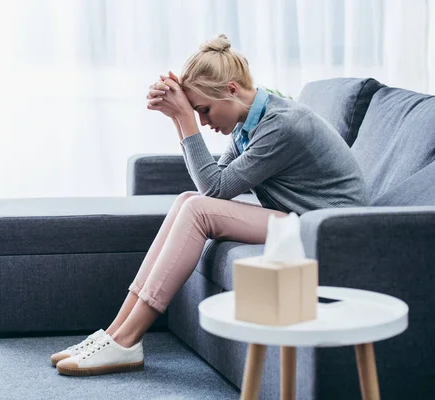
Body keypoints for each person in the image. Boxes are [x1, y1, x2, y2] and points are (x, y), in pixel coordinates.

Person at [51, 34, 367, 376]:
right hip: (300, 220)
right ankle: (114, 332)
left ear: (231, 90)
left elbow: (216, 189)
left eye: (203, 110)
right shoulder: (252, 121)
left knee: (199, 208)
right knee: (188, 200)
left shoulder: (282, 125)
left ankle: (127, 341)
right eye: (197, 113)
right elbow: (210, 183)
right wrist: (179, 116)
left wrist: (182, 119)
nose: (203, 121)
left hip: (329, 230)